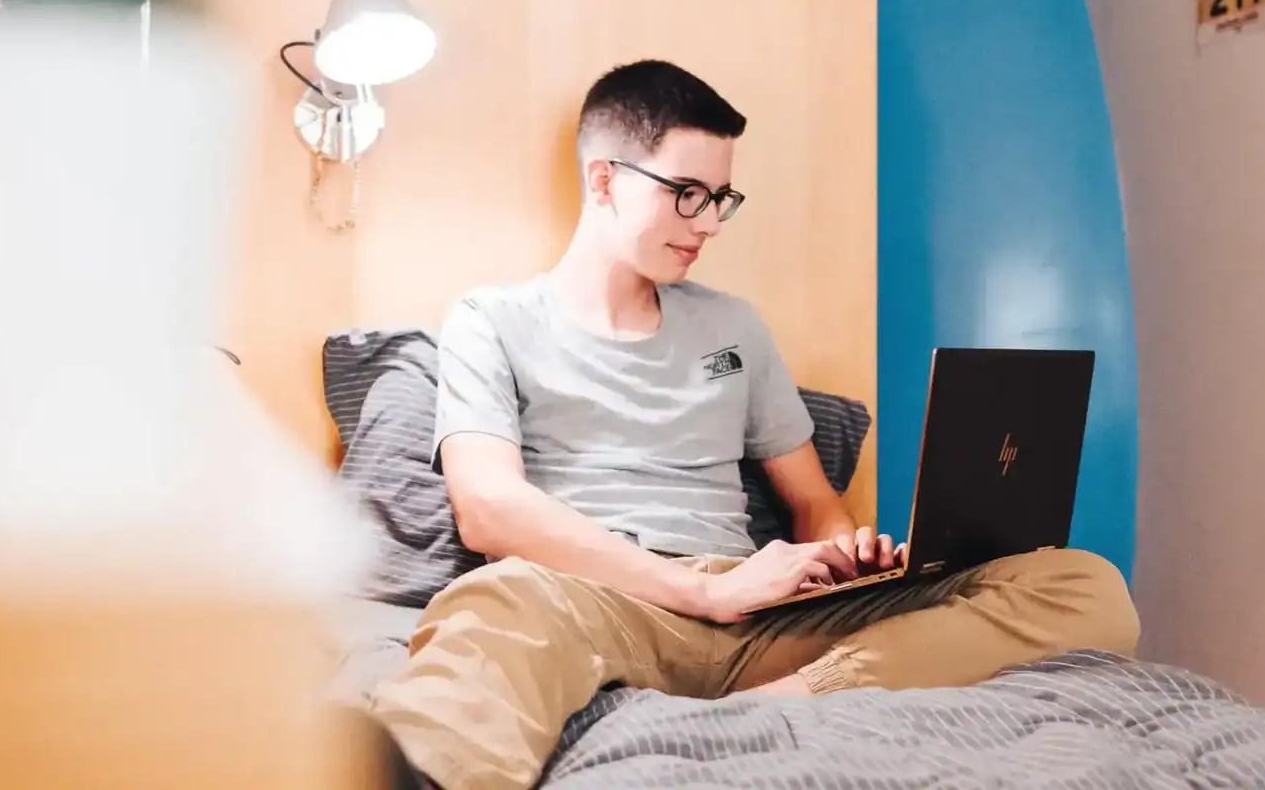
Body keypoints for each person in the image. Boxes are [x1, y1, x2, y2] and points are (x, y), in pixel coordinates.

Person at [366, 60, 1140, 790]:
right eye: (686, 193)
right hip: (601, 600)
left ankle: (795, 700)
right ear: (603, 180)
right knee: (496, 604)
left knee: (1081, 583)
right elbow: (489, 508)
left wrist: (841, 553)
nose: (708, 224)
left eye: (721, 198)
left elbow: (810, 502)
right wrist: (697, 593)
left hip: (761, 616)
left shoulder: (734, 329)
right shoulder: (491, 319)